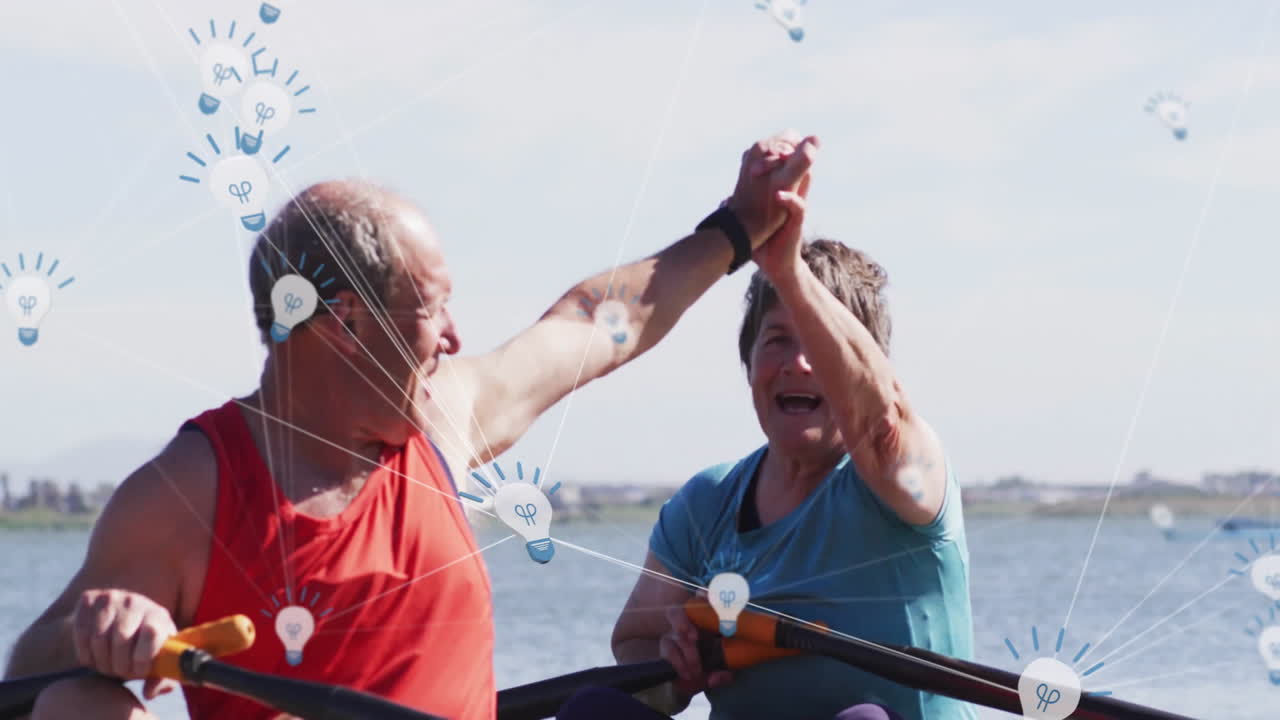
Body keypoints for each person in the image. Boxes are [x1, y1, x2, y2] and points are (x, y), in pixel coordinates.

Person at [1, 132, 818, 720]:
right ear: (347, 322)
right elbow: (28, 680)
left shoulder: (443, 419)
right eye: (433, 309)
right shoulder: (188, 494)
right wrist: (101, 630)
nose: (456, 337)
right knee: (81, 704)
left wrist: (737, 229)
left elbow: (600, 322)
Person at [592, 179, 976, 720]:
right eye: (777, 340)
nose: (798, 363)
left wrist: (788, 271)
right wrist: (674, 664)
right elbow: (633, 645)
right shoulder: (708, 501)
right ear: (749, 364)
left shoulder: (906, 478)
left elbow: (882, 419)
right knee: (596, 709)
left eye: (820, 348)